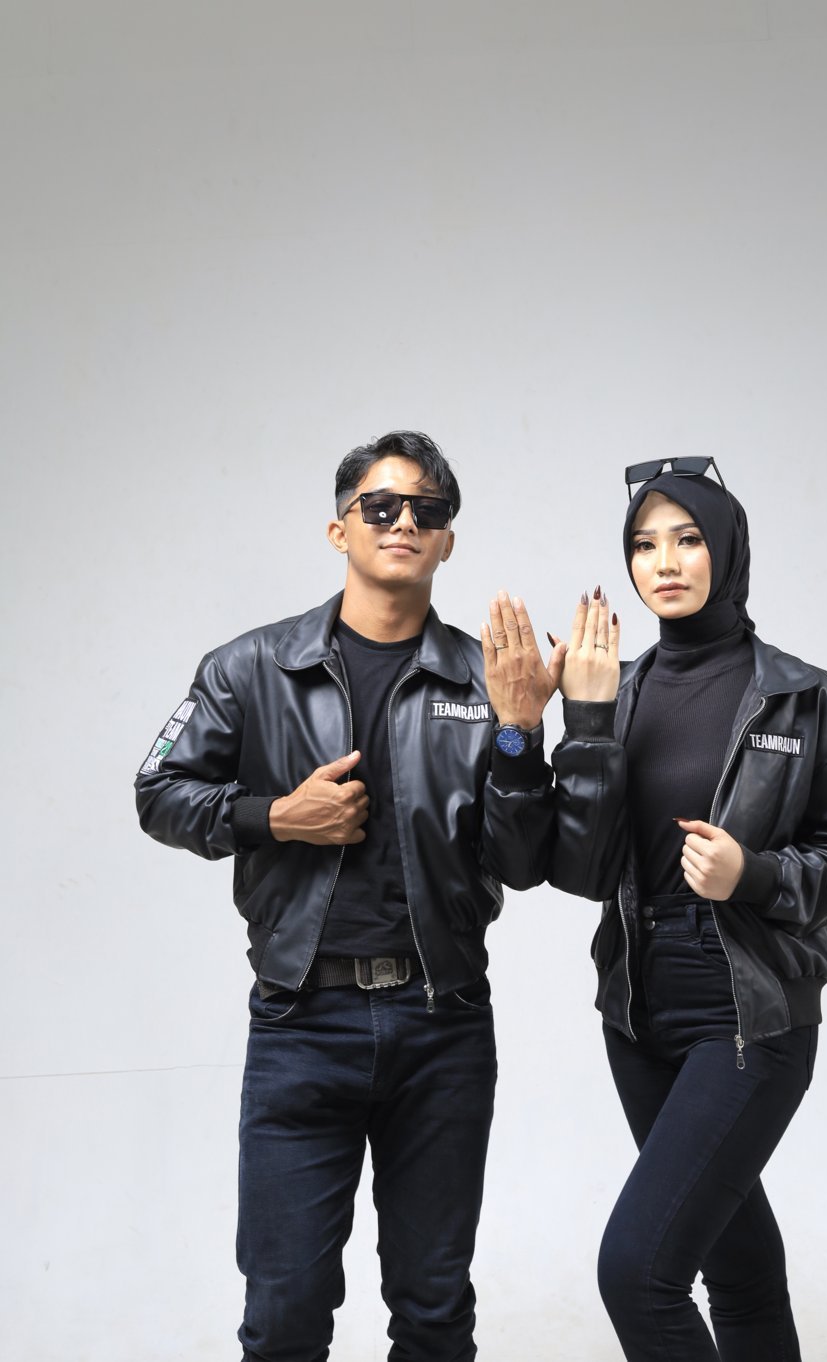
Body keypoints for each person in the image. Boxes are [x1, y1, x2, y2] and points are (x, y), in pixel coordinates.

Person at [135, 431, 564, 1362]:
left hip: (443, 1023)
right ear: (340, 529)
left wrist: (521, 732)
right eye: (381, 505)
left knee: (434, 1311)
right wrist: (275, 816)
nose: (404, 521)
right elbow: (158, 793)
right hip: (301, 1022)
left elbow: (523, 860)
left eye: (427, 510)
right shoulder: (251, 667)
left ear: (448, 540)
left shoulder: (485, 679)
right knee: (284, 1314)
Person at [546, 457, 827, 1362]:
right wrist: (583, 725)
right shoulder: (615, 693)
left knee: (638, 1272)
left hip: (750, 1010)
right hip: (634, 1009)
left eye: (688, 539)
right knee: (737, 1267)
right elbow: (581, 871)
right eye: (644, 544)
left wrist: (754, 875)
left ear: (727, 549)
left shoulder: (802, 696)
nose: (664, 562)